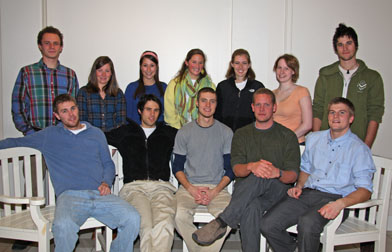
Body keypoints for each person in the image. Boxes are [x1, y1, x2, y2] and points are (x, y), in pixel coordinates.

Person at [0, 94, 140, 252]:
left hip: (100, 193)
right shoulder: (49, 135)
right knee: (62, 226)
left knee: (132, 218)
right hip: (70, 196)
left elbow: (108, 164)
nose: (71, 114)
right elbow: (16, 142)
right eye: (64, 111)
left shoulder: (96, 133)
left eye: (73, 108)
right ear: (57, 116)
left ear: (78, 109)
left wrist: (106, 182)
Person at [260, 97, 375, 252]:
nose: (336, 116)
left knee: (307, 223)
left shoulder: (359, 149)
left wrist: (340, 204)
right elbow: (306, 169)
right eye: (332, 112)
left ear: (351, 118)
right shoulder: (314, 139)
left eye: (342, 113)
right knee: (267, 224)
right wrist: (299, 186)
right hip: (307, 194)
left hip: (335, 198)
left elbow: (365, 190)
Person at [192, 88, 300, 252]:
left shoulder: (287, 136)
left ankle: (223, 221)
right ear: (252, 107)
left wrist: (276, 172)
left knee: (262, 174)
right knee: (251, 205)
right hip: (246, 193)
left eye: (266, 105)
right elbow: (236, 170)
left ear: (274, 107)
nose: (262, 109)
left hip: (277, 192)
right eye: (258, 105)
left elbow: (292, 176)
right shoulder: (242, 134)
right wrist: (251, 166)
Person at [105, 94, 177, 252]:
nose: (152, 114)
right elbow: (99, 138)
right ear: (139, 111)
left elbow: (191, 138)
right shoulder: (126, 132)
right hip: (134, 188)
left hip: (162, 187)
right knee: (145, 224)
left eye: (156, 110)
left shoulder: (167, 133)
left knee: (165, 224)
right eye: (148, 109)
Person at [173, 87, 234, 251]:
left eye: (212, 101)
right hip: (189, 187)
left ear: (216, 105)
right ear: (197, 104)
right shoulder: (184, 132)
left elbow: (231, 169)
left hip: (217, 188)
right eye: (204, 100)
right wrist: (191, 189)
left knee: (230, 217)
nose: (208, 105)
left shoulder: (226, 132)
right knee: (178, 215)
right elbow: (177, 167)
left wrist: (215, 192)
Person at [312, 23, 384, 148]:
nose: (345, 48)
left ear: (356, 45)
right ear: (335, 48)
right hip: (326, 143)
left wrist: (365, 147)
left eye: (349, 43)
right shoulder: (325, 75)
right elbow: (318, 109)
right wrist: (316, 142)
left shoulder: (372, 77)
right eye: (340, 44)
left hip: (356, 143)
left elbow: (375, 114)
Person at [12, 26, 79, 135]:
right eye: (47, 43)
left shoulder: (70, 75)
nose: (52, 47)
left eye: (56, 43)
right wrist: (28, 131)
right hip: (35, 134)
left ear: (61, 47)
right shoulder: (27, 73)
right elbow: (18, 106)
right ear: (40, 46)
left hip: (63, 135)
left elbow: (74, 106)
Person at [215, 49, 264, 132]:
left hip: (250, 135)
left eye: (244, 63)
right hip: (225, 134)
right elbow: (216, 113)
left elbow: (262, 113)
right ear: (232, 64)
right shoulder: (222, 87)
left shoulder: (258, 87)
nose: (240, 67)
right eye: (237, 63)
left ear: (249, 65)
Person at [164, 48, 215, 129]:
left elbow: (212, 108)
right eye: (194, 62)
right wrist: (180, 129)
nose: (197, 66)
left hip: (203, 129)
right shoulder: (174, 84)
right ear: (187, 62)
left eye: (200, 63)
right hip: (177, 129)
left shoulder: (210, 86)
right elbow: (169, 111)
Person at [77, 56, 126, 132]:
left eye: (107, 71)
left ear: (111, 73)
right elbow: (82, 121)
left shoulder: (118, 94)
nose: (103, 75)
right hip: (91, 138)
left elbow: (121, 121)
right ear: (94, 72)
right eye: (100, 70)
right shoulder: (83, 93)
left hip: (114, 139)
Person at [272, 54, 312, 144]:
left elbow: (308, 124)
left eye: (286, 68)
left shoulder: (302, 92)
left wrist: (287, 139)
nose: (282, 72)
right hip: (275, 144)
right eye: (279, 68)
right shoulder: (271, 94)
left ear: (293, 71)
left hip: (294, 143)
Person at [125, 51, 167, 124]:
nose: (148, 69)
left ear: (156, 67)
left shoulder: (164, 88)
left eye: (152, 65)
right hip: (136, 132)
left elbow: (167, 115)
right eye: (145, 65)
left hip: (158, 132)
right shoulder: (131, 88)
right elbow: (127, 117)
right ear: (140, 67)